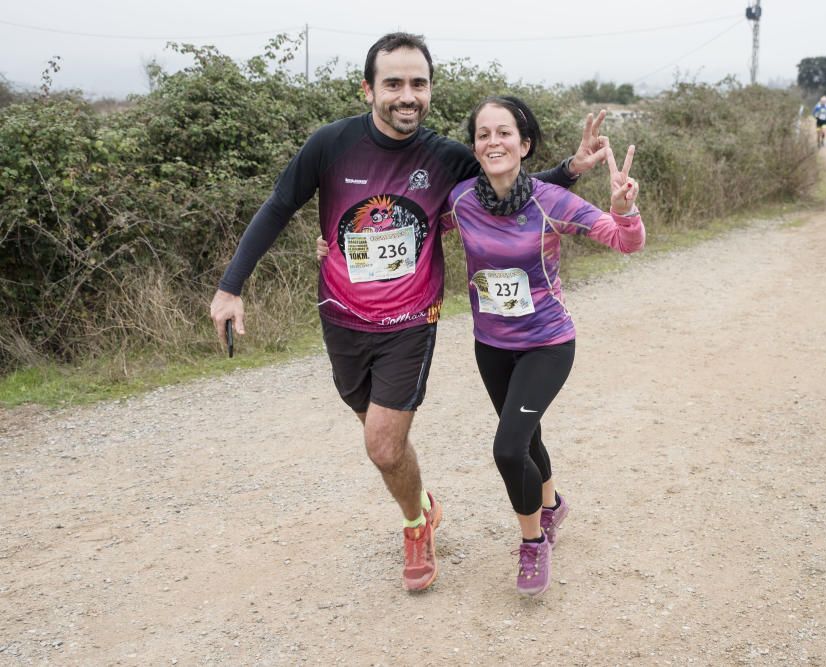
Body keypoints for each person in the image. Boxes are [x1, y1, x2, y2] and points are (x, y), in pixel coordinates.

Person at [208, 32, 609, 592]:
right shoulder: (330, 145)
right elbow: (278, 206)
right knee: (374, 429)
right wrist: (231, 286)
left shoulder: (445, 156)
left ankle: (417, 524)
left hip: (410, 322)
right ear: (367, 89)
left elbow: (508, 188)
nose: (407, 95)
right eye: (393, 83)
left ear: (429, 91)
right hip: (341, 317)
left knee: (382, 443)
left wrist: (570, 169)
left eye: (418, 84)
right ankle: (424, 500)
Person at [319, 97, 645, 595]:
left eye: (504, 133)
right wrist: (336, 241)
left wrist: (625, 211)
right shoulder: (461, 199)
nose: (493, 142)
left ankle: (532, 543)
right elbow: (407, 225)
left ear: (524, 143)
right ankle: (552, 505)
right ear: (475, 146)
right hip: (490, 344)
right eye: (484, 134)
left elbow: (626, 243)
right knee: (527, 435)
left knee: (508, 447)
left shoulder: (551, 202)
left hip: (547, 343)